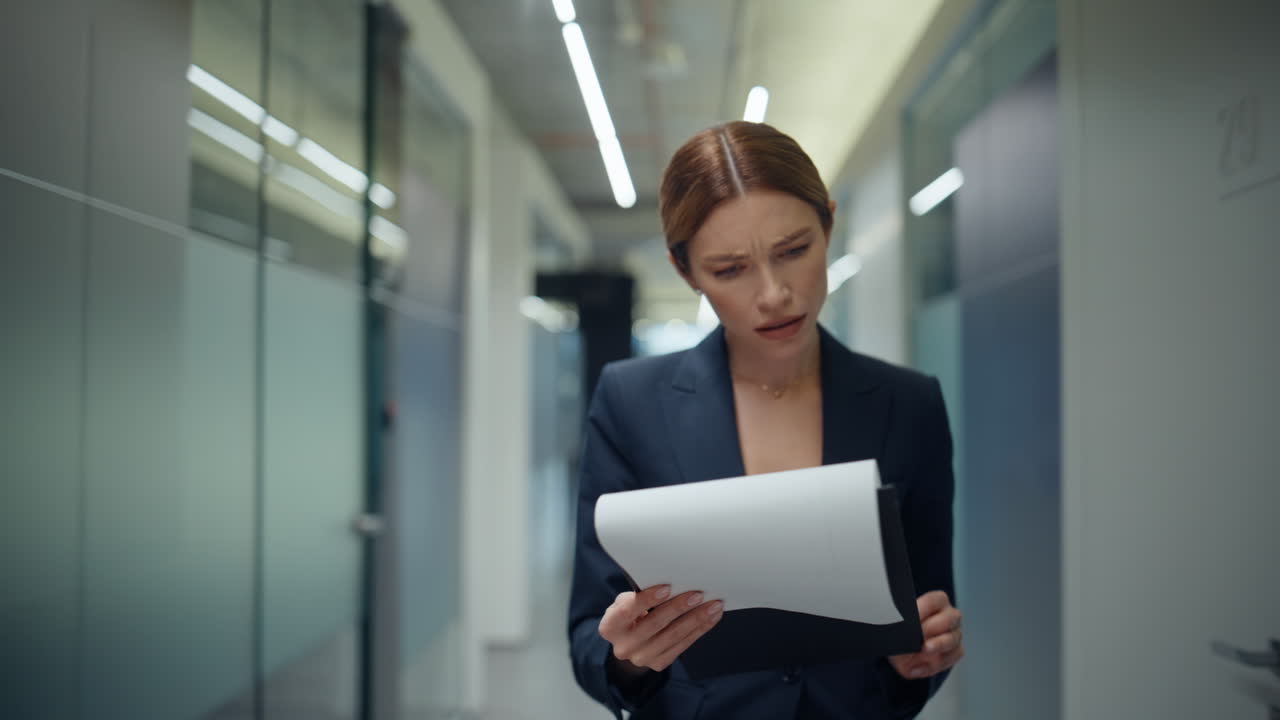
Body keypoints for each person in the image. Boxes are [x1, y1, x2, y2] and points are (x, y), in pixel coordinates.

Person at [568, 121, 963, 720]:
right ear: (686, 272)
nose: (774, 293)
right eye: (730, 269)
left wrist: (925, 654)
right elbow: (587, 639)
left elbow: (928, 608)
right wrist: (627, 655)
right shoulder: (631, 402)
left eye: (794, 251)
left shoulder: (909, 404)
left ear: (828, 225)